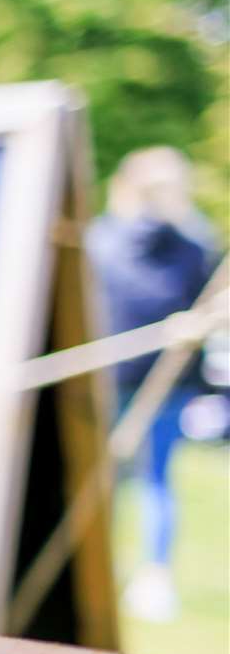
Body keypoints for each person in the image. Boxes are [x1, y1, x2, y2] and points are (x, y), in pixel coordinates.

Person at [86, 146, 219, 623]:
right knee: (141, 480)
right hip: (125, 376)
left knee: (135, 479)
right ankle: (137, 574)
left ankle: (146, 576)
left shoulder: (106, 239)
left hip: (139, 379)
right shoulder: (187, 244)